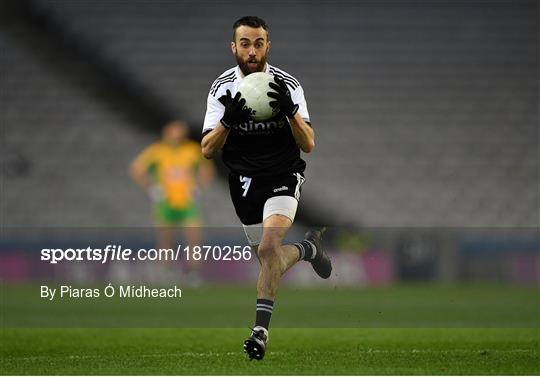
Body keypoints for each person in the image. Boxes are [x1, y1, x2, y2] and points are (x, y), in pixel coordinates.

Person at [201, 16, 332, 360]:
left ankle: (259, 333)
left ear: (268, 46)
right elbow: (207, 149)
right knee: (268, 258)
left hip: (282, 174)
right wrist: (228, 121)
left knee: (269, 246)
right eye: (245, 43)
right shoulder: (221, 88)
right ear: (234, 47)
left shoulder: (288, 84)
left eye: (259, 43)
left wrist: (290, 112)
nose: (252, 50)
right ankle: (307, 250)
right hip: (244, 180)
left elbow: (309, 144)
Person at [130, 120, 214, 285]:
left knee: (193, 237)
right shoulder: (157, 151)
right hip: (165, 202)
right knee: (165, 239)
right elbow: (136, 169)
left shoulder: (191, 150)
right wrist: (152, 189)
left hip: (187, 202)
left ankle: (192, 272)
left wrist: (198, 188)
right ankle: (166, 271)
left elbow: (207, 169)